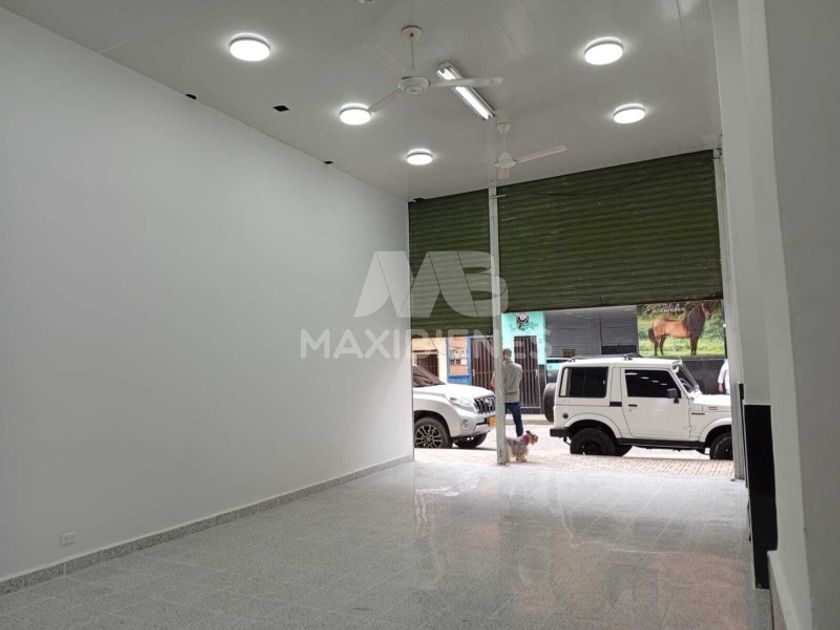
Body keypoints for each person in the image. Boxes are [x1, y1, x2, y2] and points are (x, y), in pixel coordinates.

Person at [491, 348, 524, 437]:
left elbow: (493, 384)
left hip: (503, 399)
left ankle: (501, 439)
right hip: (515, 398)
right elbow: (519, 380)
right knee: (518, 421)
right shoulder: (519, 367)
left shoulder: (499, 368)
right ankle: (520, 438)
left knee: (501, 421)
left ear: (504, 355)